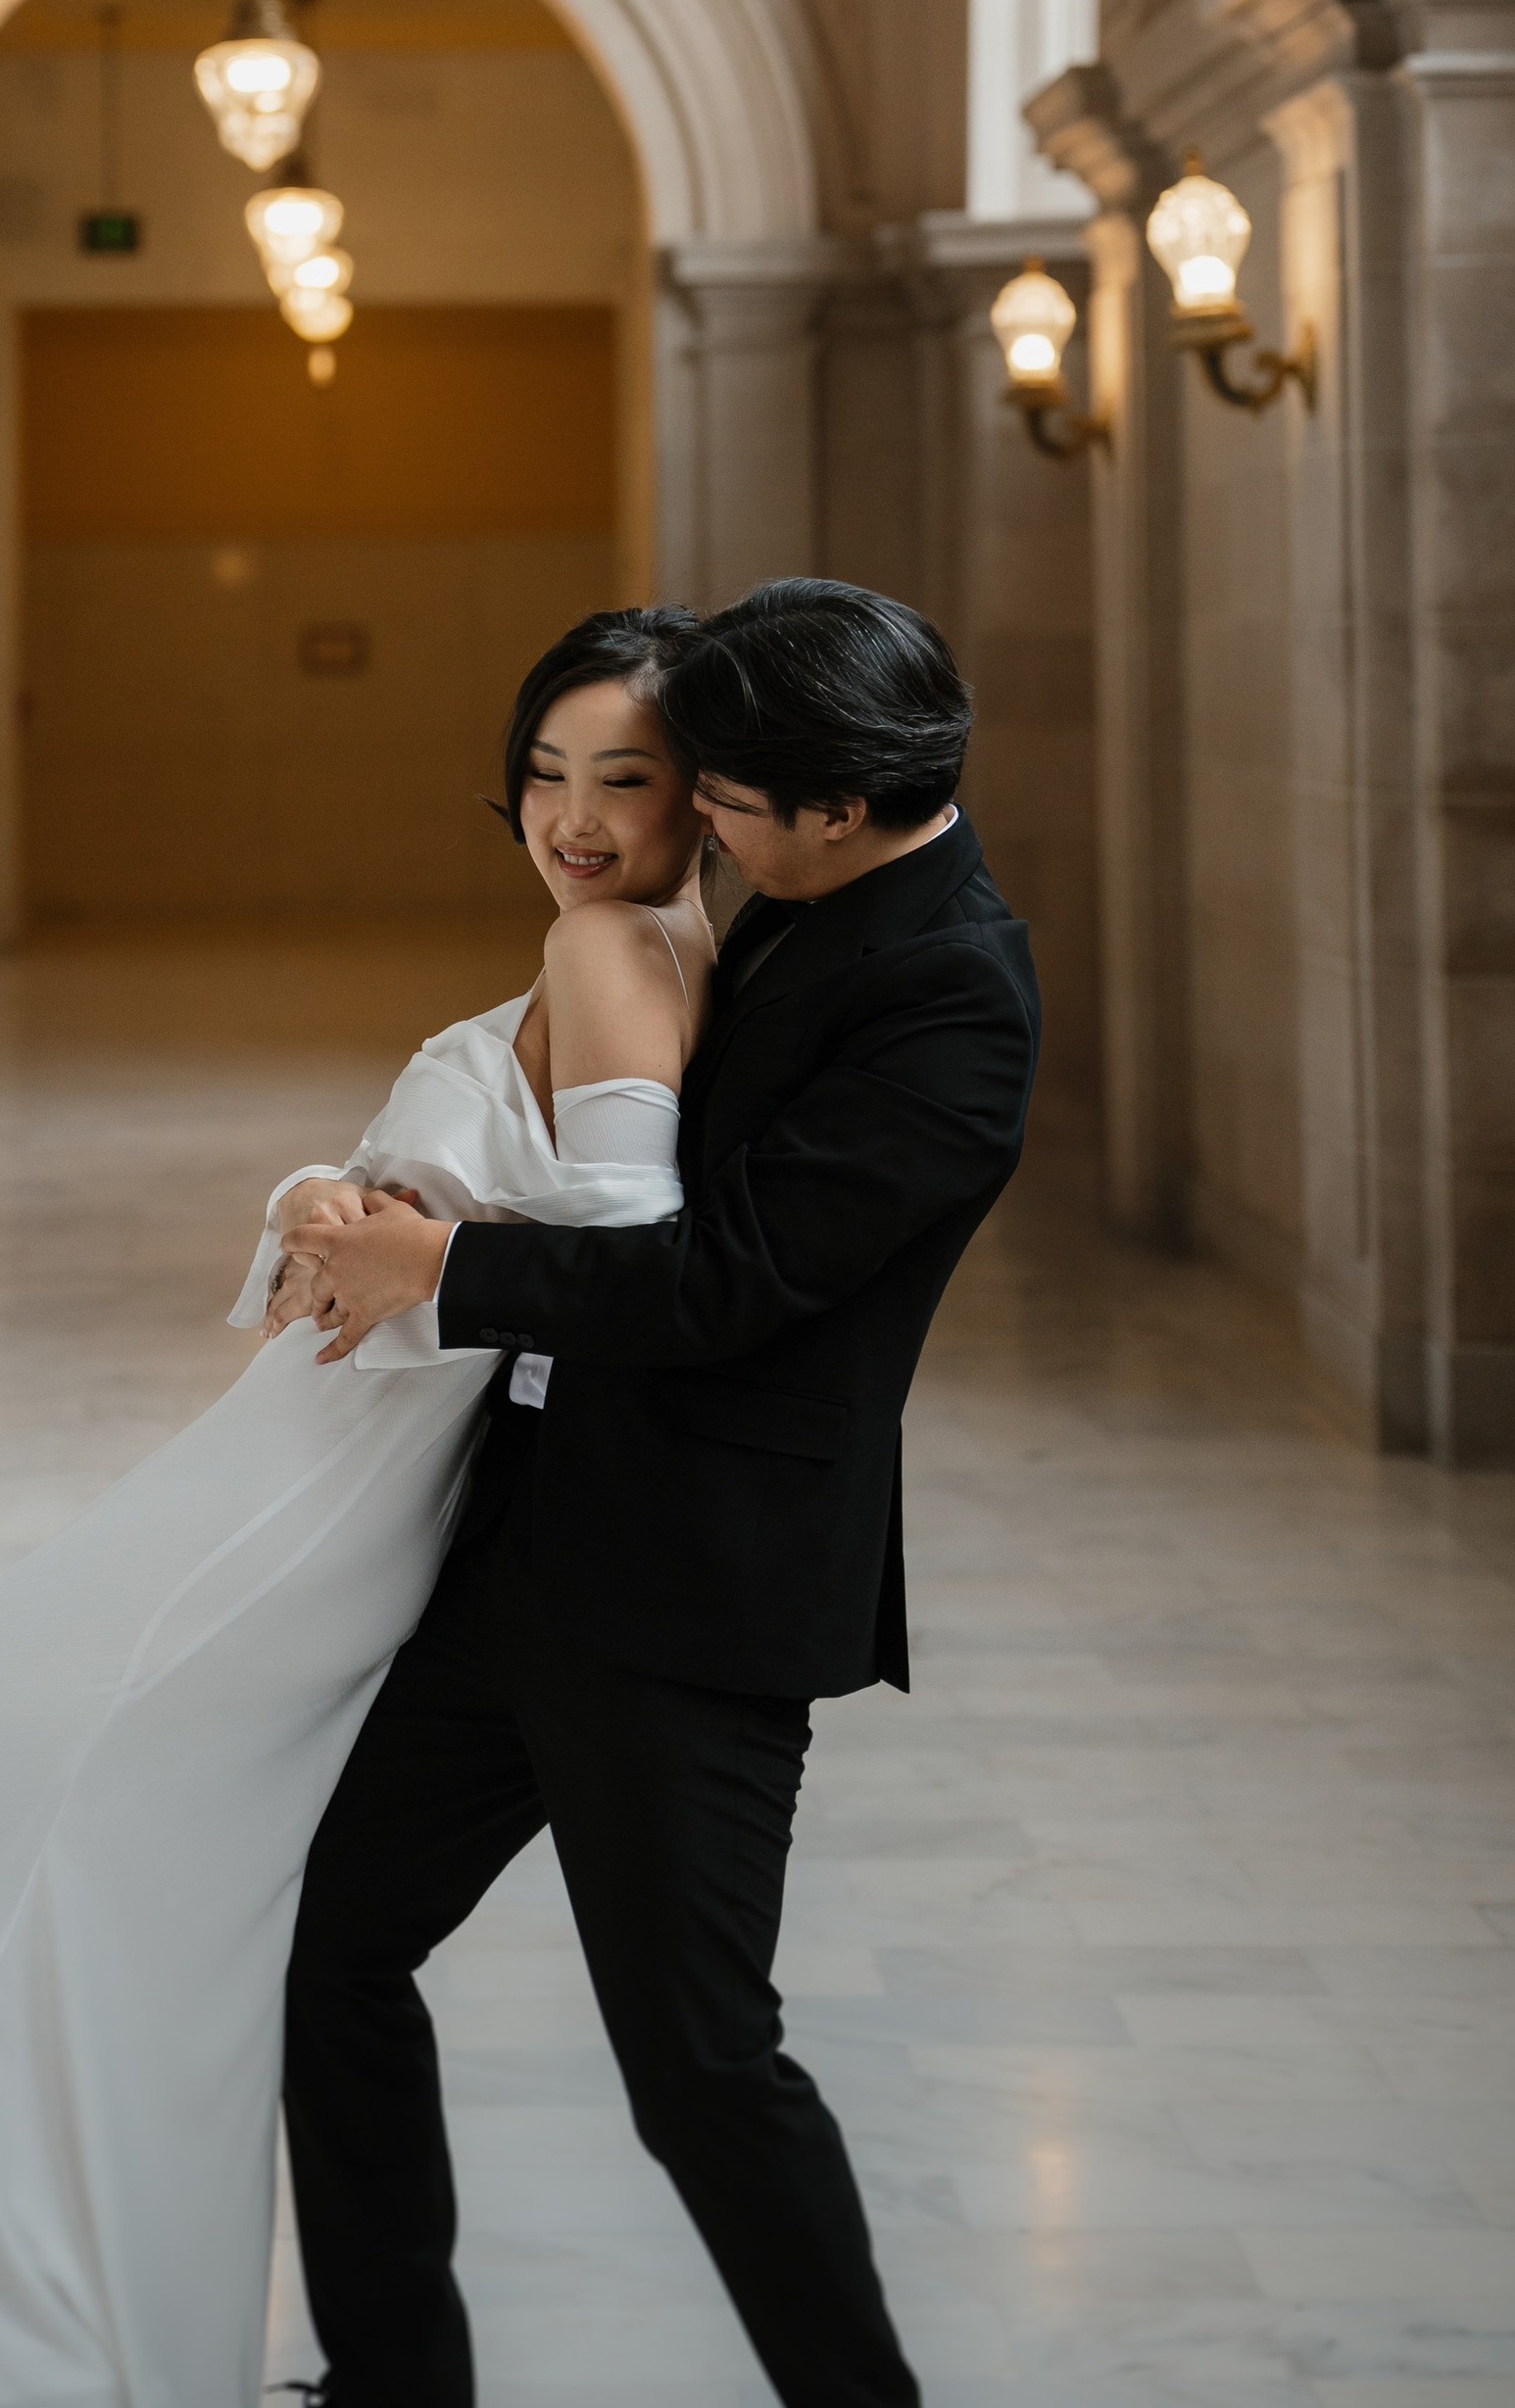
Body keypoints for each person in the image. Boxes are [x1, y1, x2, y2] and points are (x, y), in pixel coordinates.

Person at [0, 606, 713, 2408]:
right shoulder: (602, 943)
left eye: (628, 780)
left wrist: (405, 1249)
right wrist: (331, 1200)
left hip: (346, 1493)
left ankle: (22, 2311)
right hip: (299, 1449)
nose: (576, 817)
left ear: (702, 799)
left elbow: (629, 1264)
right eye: (547, 773)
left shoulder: (615, 949)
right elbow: (481, 1204)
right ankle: (42, 2290)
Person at [283, 575, 1041, 2408]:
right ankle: (397, 2385)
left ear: (839, 808)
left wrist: (443, 1277)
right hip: (533, 1540)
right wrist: (435, 1216)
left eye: (725, 799)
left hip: (697, 1598)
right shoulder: (788, 891)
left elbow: (727, 1287)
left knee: (701, 2065)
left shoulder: (953, 996)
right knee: (331, 1950)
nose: (685, 822)